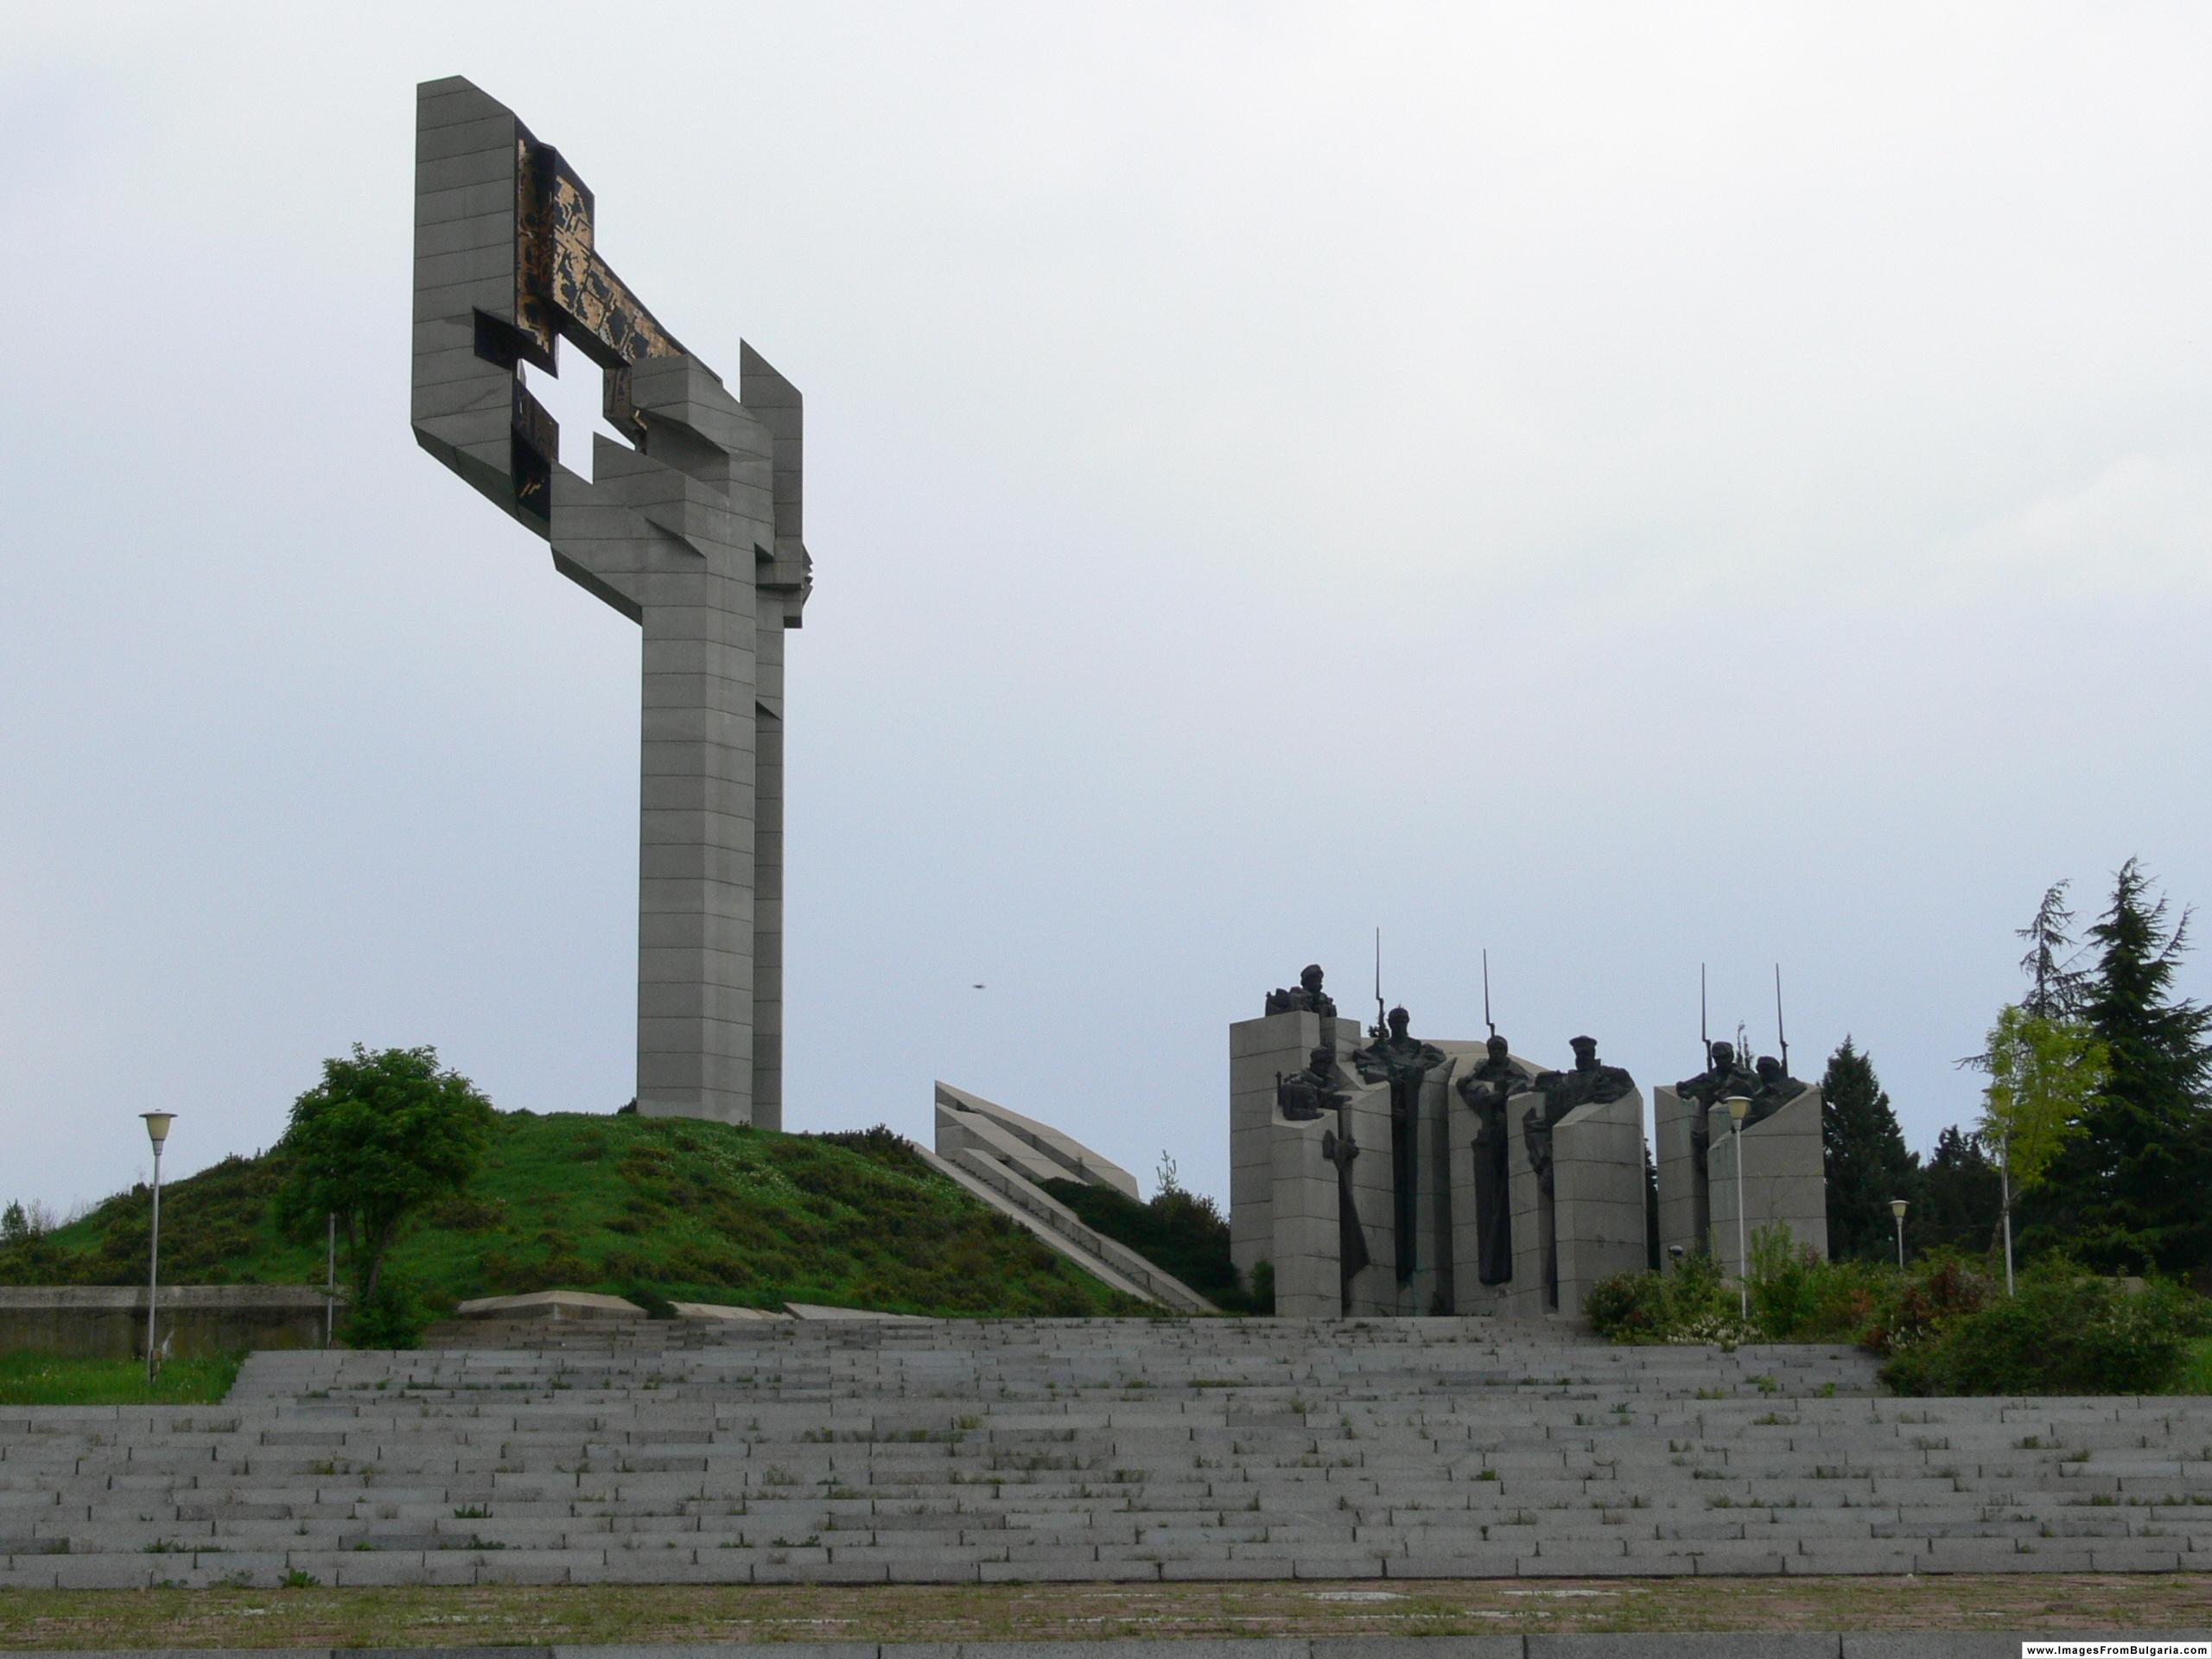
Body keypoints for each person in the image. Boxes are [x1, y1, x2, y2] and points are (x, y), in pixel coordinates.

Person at [1455, 1034, 1529, 1287]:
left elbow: (1525, 1085)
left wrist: (1504, 1096)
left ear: (1506, 1051)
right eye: (1493, 1048)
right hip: (1488, 1144)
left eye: (1500, 1048)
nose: (1497, 1052)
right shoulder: (1480, 1072)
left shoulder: (1515, 1073)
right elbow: (1464, 1085)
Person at [1264, 963, 1338, 1017]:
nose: (1320, 981)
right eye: (1316, 979)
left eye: (1320, 980)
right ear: (1308, 980)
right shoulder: (1297, 993)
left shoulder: (1324, 997)